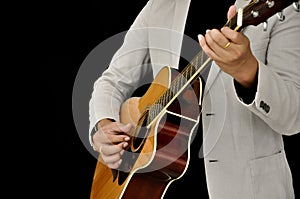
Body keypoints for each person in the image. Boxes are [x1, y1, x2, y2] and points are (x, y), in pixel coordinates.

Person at [88, 0, 300, 198]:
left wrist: (248, 71)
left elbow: (294, 117)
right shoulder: (161, 5)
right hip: (158, 187)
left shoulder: (279, 8)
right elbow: (113, 79)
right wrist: (103, 125)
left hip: (247, 188)